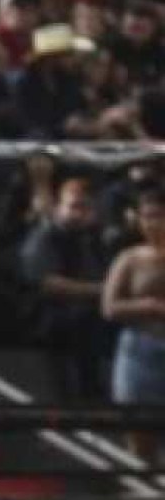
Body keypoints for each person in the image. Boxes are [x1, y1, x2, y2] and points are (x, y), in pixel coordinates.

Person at [20, 175, 113, 400]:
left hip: (91, 325)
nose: (79, 213)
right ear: (60, 206)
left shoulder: (94, 236)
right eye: (73, 206)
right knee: (63, 391)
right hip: (56, 325)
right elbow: (48, 283)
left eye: (86, 207)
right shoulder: (45, 236)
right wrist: (101, 291)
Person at [103, 185, 165, 466]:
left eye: (160, 216)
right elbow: (110, 307)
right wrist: (149, 307)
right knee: (138, 432)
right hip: (139, 347)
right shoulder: (129, 258)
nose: (153, 223)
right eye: (148, 216)